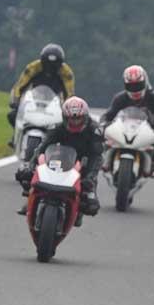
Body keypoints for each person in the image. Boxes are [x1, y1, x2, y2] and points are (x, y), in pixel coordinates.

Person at [15, 96, 103, 225]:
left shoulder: (94, 130)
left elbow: (96, 156)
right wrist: (31, 166)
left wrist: (90, 177)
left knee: (91, 204)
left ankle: (78, 210)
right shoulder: (57, 127)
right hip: (61, 158)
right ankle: (31, 200)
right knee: (25, 176)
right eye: (72, 119)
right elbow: (42, 148)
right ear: (64, 117)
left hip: (84, 163)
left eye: (78, 119)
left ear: (85, 117)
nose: (75, 122)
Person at [99, 65, 154, 177]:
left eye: (138, 85)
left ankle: (150, 166)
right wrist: (103, 125)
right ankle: (105, 163)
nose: (135, 89)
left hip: (149, 131)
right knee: (103, 142)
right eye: (131, 86)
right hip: (124, 129)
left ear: (145, 82)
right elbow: (108, 114)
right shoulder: (120, 98)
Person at [6, 43, 75, 147]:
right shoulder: (33, 67)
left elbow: (69, 93)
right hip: (34, 98)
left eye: (54, 65)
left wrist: (68, 107)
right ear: (42, 61)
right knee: (12, 115)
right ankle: (16, 137)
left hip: (55, 102)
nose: (50, 68)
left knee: (66, 124)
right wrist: (15, 100)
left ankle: (61, 144)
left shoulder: (66, 73)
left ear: (60, 64)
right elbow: (20, 85)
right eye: (47, 65)